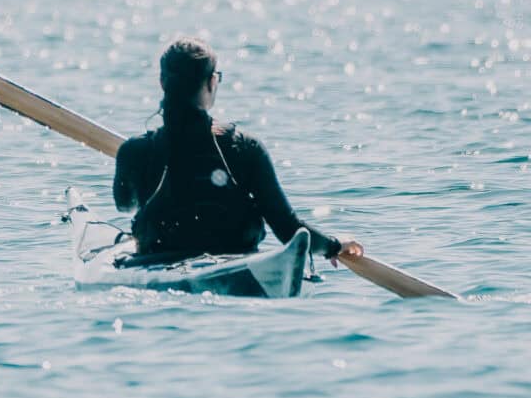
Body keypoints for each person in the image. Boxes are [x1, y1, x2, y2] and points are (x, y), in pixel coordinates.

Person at [112, 38, 362, 265]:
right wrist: (333, 245)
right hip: (234, 263)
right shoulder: (245, 148)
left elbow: (125, 204)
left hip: (158, 262)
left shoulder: (134, 152)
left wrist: (134, 167)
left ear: (162, 83)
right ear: (212, 81)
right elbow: (288, 230)